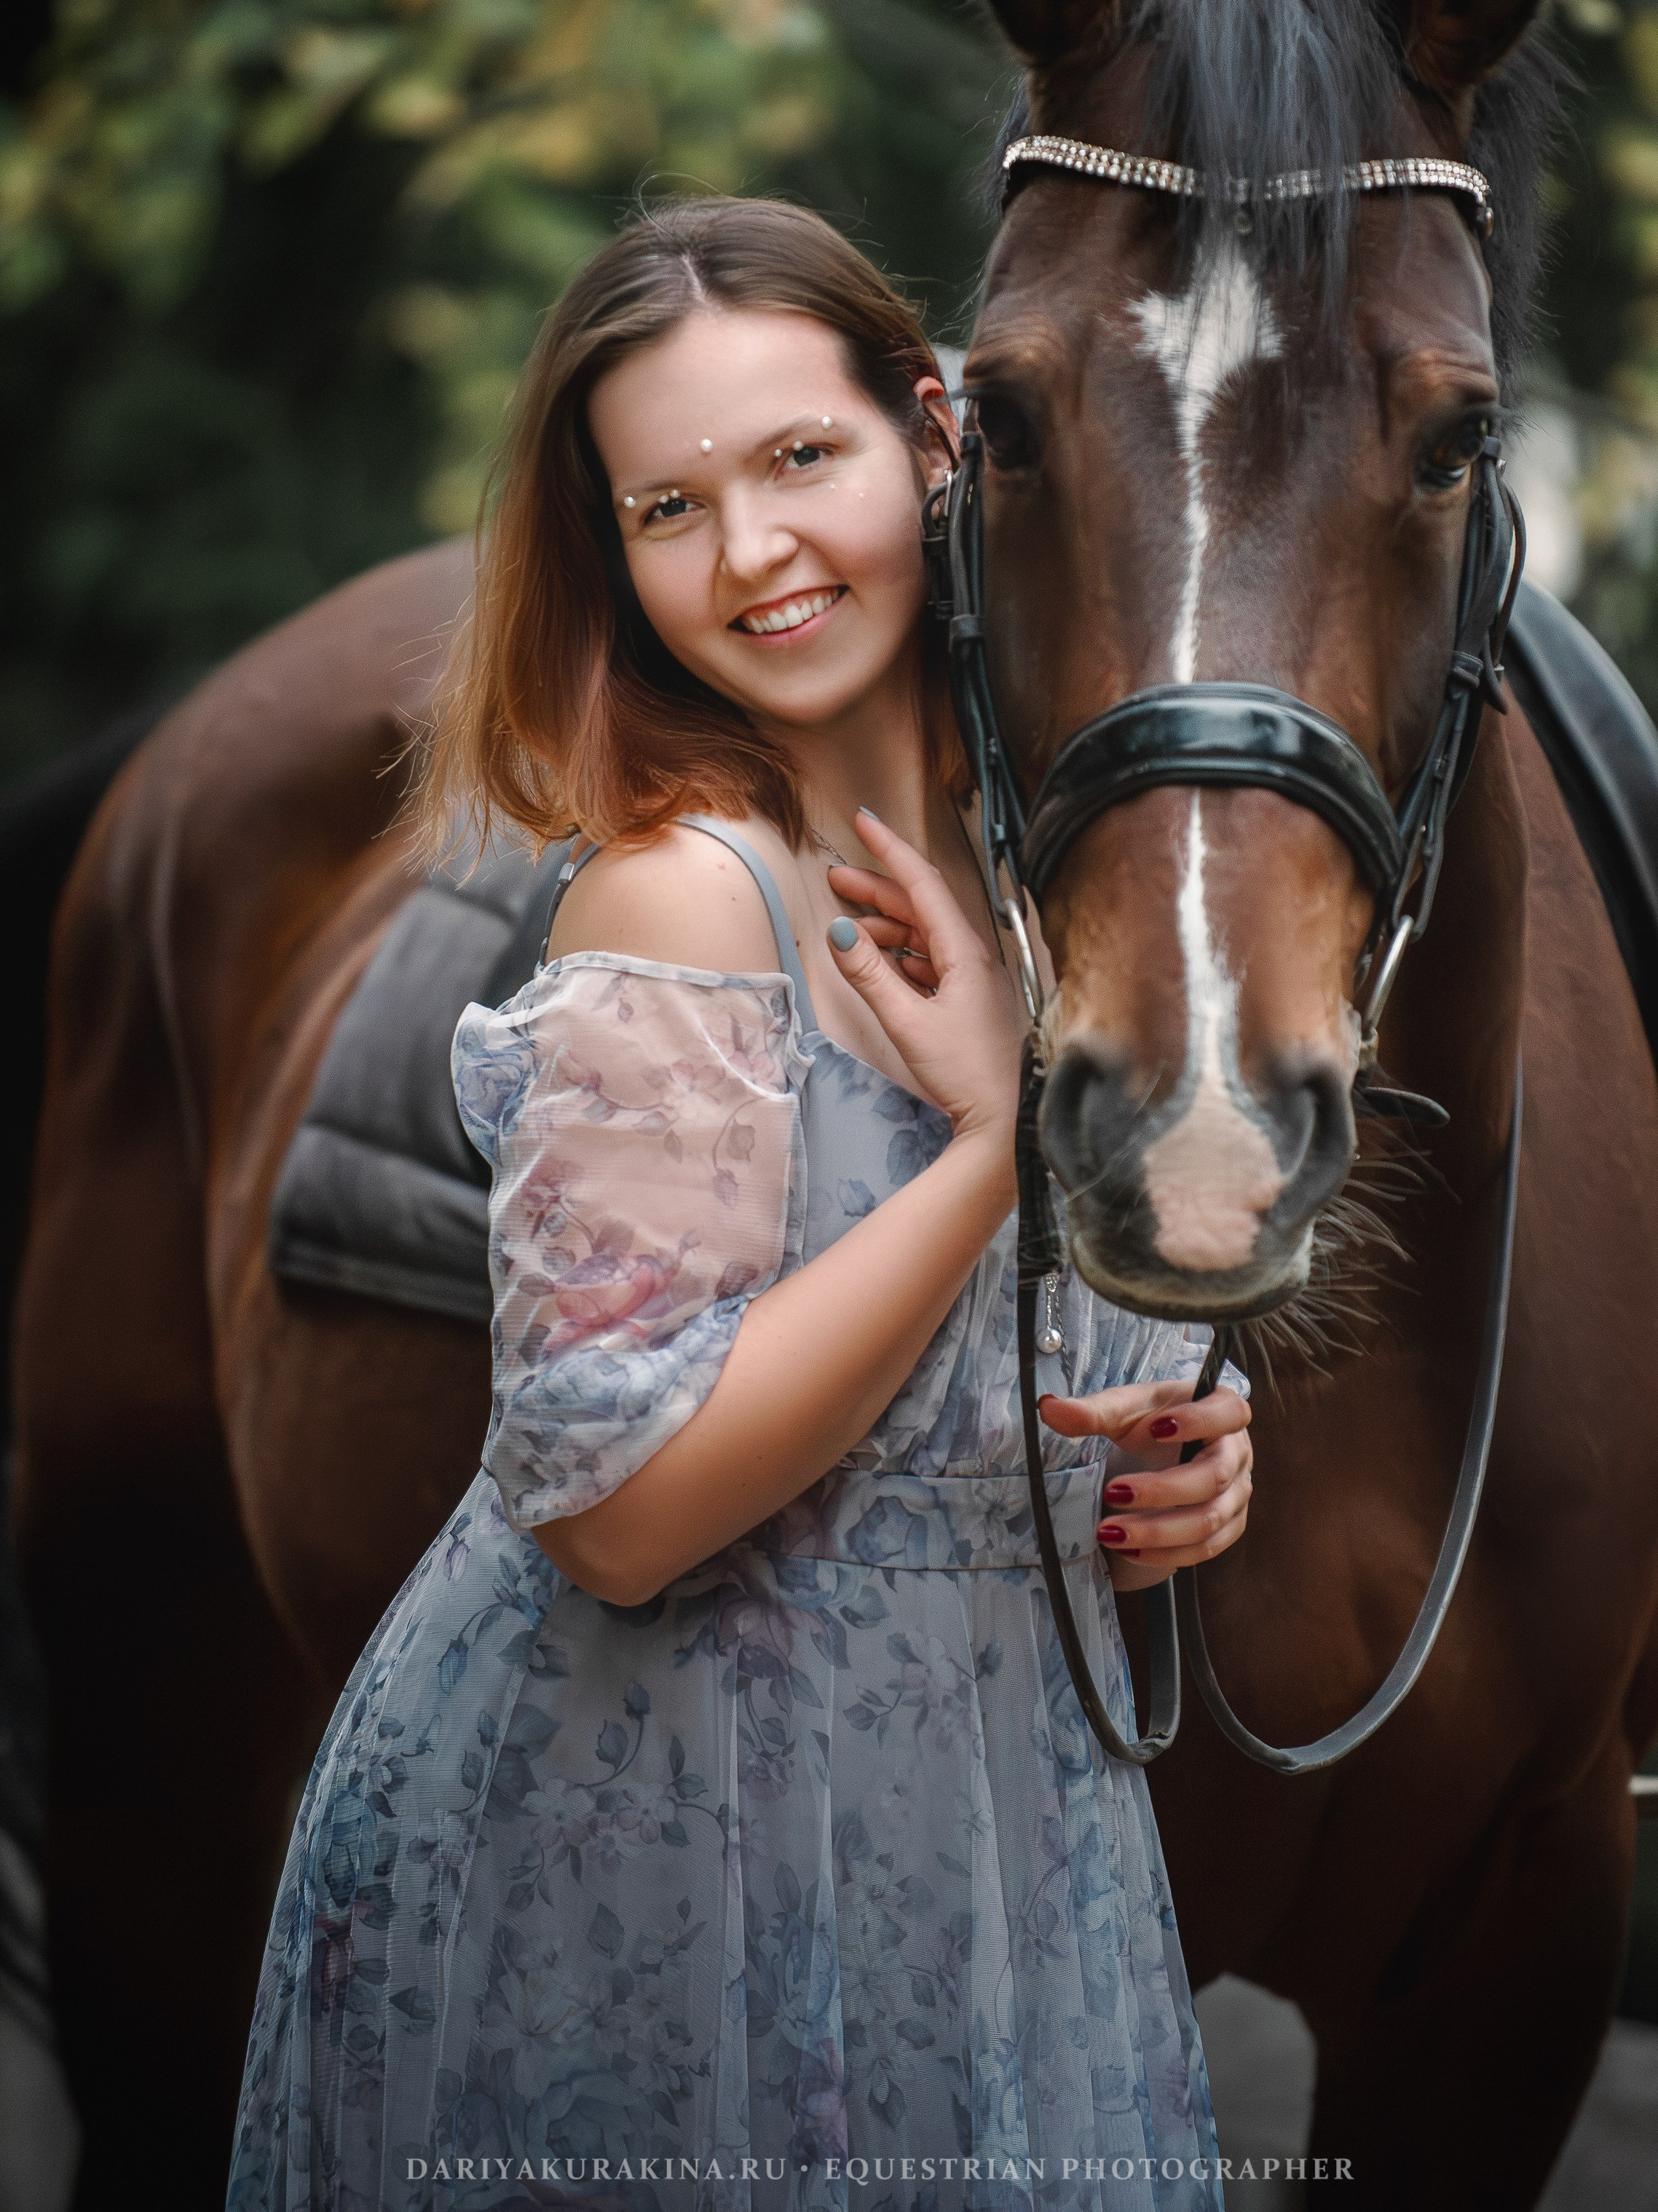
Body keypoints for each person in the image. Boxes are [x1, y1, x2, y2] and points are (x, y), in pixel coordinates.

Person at [226, 196, 1255, 2212]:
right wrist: (992, 1152)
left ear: (934, 435)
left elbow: (986, 1413)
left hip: (983, 1843)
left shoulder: (1064, 885)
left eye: (801, 457)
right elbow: (616, 1512)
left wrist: (1181, 1461)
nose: (754, 553)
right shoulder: (682, 896)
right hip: (646, 1850)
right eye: (670, 506)